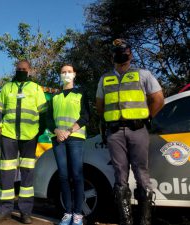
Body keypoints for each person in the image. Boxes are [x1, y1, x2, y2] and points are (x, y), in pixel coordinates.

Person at [96, 39, 164, 225]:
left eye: (124, 51)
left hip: (138, 129)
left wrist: (147, 117)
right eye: (117, 51)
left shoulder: (143, 74)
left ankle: (145, 219)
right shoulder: (105, 78)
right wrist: (111, 120)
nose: (121, 54)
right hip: (115, 132)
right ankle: (125, 219)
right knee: (120, 174)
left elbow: (158, 99)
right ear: (112, 56)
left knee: (142, 172)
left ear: (131, 54)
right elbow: (100, 106)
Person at [0, 60, 47, 224]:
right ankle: (5, 210)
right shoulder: (7, 88)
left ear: (29, 71)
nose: (21, 71)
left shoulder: (36, 88)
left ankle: (25, 212)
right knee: (6, 173)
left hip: (29, 136)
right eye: (19, 69)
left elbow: (44, 113)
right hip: (8, 134)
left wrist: (39, 131)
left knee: (28, 174)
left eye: (24, 69)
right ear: (15, 70)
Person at [47, 65, 89, 225]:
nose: (66, 74)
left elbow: (86, 116)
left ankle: (78, 214)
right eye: (63, 72)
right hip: (58, 140)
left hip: (75, 138)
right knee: (63, 176)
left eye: (69, 72)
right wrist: (57, 131)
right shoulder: (55, 96)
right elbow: (49, 120)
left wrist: (69, 131)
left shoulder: (81, 93)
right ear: (60, 75)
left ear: (74, 74)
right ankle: (68, 212)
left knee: (77, 176)